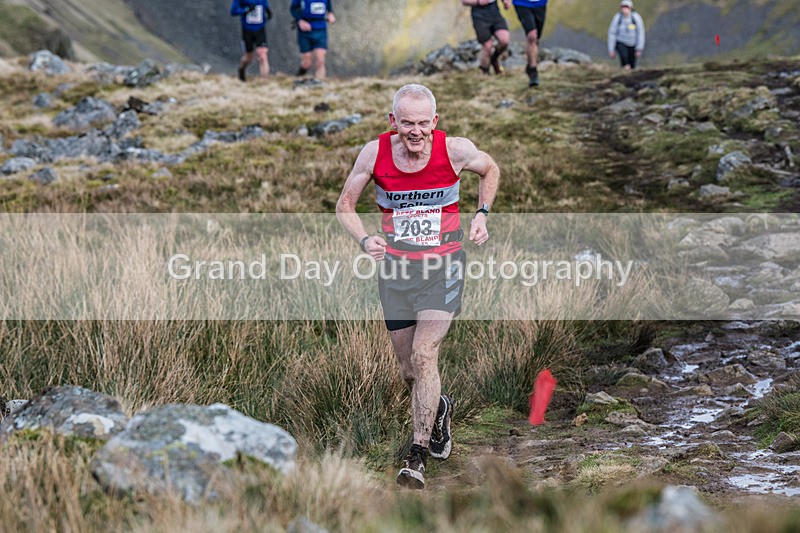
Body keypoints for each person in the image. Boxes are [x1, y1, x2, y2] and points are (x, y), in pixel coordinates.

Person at [336, 84, 500, 490]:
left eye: (423, 123)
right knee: (409, 369)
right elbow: (345, 206)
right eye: (406, 122)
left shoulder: (455, 150)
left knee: (425, 354)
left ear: (435, 122)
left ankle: (417, 455)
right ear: (393, 121)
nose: (415, 131)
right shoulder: (373, 154)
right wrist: (363, 239)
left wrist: (481, 215)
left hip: (443, 269)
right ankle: (438, 407)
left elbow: (490, 169)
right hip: (395, 272)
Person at [462, 0, 512, 75]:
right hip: (479, 15)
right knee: (487, 46)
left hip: (495, 12)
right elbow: (464, 1)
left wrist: (506, 1)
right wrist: (478, 2)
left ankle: (494, 59)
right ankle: (485, 72)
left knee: (504, 40)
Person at [290, 0, 336, 80]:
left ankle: (320, 86)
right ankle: (298, 79)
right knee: (307, 63)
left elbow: (329, 7)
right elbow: (293, 9)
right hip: (305, 31)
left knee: (320, 60)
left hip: (320, 29)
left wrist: (331, 14)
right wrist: (300, 20)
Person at [229, 0, 273, 81]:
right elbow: (233, 11)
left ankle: (265, 82)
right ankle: (241, 69)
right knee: (249, 57)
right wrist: (246, 10)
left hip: (260, 29)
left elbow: (264, 3)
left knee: (262, 54)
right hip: (247, 30)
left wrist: (268, 10)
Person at [512, 0, 547, 87]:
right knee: (532, 35)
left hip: (540, 4)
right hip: (522, 3)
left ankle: (530, 65)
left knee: (536, 39)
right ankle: (533, 72)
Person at [608, 0, 645, 69]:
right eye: (623, 7)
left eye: (626, 7)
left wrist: (639, 49)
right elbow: (612, 33)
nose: (624, 9)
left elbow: (640, 33)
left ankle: (630, 76)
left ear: (630, 8)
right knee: (624, 58)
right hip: (621, 41)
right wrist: (611, 50)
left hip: (633, 44)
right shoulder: (617, 18)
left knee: (632, 64)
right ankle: (625, 69)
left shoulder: (636, 18)